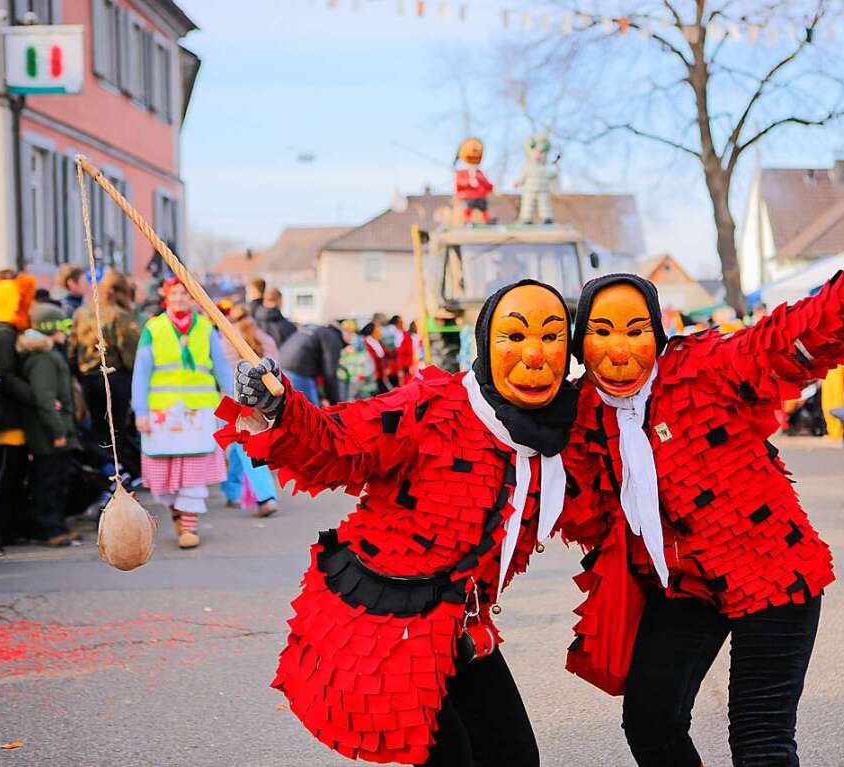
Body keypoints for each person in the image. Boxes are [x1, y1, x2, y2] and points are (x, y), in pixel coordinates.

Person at [563, 220, 844, 766]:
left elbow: (780, 339)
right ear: (581, 341)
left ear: (657, 333)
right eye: (602, 330)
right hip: (687, 585)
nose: (620, 348)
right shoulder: (580, 414)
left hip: (773, 574)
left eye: (636, 328)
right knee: (651, 721)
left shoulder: (700, 368)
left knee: (760, 744)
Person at [218, 280, 601, 767]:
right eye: (515, 336)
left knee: (514, 756)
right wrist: (278, 407)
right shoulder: (434, 408)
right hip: (396, 623)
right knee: (451, 759)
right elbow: (337, 442)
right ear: (487, 342)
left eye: (550, 338)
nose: (533, 354)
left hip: (466, 624)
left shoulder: (563, 426)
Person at [132, 277, 232, 548]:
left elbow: (221, 367)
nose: (180, 299)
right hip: (161, 411)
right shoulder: (154, 328)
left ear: (193, 298)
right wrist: (140, 410)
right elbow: (141, 372)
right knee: (163, 476)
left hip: (198, 412)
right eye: (175, 293)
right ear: (166, 296)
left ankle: (189, 526)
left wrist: (234, 404)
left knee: (193, 470)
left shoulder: (206, 328)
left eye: (185, 294)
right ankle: (177, 512)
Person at [0, 273, 37, 554]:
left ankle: (7, 529)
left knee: (11, 476)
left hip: (7, 416)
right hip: (7, 419)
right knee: (5, 477)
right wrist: (33, 395)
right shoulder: (1, 333)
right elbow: (5, 375)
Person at [68, 269, 142, 486]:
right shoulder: (121, 315)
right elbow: (130, 353)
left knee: (96, 431)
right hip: (115, 377)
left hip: (88, 378)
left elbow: (72, 349)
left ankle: (104, 476)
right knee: (115, 430)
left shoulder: (82, 313)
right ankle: (117, 477)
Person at [18, 303, 79, 546]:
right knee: (48, 482)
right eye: (63, 326)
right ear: (51, 328)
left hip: (59, 430)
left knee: (59, 480)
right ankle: (48, 528)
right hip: (49, 435)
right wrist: (58, 432)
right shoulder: (44, 358)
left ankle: (58, 524)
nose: (66, 331)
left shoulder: (52, 353)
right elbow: (45, 398)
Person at [219, 303, 279, 517]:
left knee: (246, 448)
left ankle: (266, 497)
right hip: (263, 401)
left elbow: (220, 372)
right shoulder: (266, 339)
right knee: (238, 448)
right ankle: (233, 490)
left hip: (234, 401)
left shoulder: (224, 340)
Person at [276, 320, 347, 406]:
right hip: (299, 372)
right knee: (310, 413)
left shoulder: (318, 330)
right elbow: (330, 374)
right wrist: (337, 406)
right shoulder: (333, 338)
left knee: (290, 408)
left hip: (281, 367)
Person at [360, 321, 396, 393]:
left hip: (381, 374)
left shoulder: (377, 341)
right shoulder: (367, 342)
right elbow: (374, 358)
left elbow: (385, 353)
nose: (379, 331)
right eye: (377, 329)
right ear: (372, 331)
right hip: (373, 376)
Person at [388, 315, 415, 385]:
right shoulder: (392, 334)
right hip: (397, 367)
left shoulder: (405, 335)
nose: (402, 324)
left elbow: (409, 351)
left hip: (406, 366)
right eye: (400, 322)